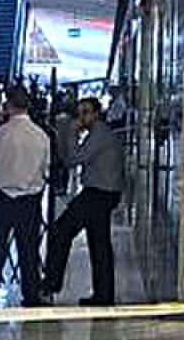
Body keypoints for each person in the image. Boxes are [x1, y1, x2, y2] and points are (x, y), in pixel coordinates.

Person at [42, 97, 124, 306]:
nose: (82, 117)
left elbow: (73, 159)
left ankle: (51, 283)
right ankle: (103, 294)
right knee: (99, 244)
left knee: (62, 230)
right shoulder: (100, 133)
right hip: (102, 193)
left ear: (97, 113)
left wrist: (69, 132)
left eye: (86, 112)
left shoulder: (99, 134)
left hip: (98, 194)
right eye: (80, 113)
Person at [0, 85, 51, 309]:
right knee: (28, 251)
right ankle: (31, 295)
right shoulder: (42, 136)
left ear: (8, 105)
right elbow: (46, 168)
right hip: (29, 200)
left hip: (1, 198)